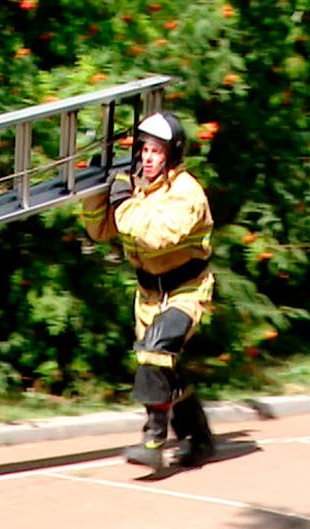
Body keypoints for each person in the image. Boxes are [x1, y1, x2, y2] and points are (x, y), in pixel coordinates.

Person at [82, 110, 217, 469]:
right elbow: (101, 231)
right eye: (144, 150)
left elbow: (156, 237)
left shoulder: (187, 193)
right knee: (166, 370)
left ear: (171, 154)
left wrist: (124, 201)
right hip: (148, 295)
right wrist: (95, 189)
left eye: (156, 152)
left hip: (187, 290)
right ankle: (199, 439)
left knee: (154, 351)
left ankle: (153, 440)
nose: (147, 158)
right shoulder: (140, 185)